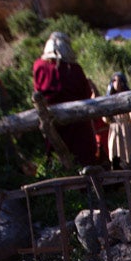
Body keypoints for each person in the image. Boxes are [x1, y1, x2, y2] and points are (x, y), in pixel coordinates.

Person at [32, 31, 98, 166]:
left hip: (52, 123)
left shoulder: (39, 66)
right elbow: (85, 94)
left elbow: (37, 92)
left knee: (58, 161)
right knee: (83, 160)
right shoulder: (75, 69)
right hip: (78, 124)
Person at [105, 72, 131, 169]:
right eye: (114, 81)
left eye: (119, 81)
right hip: (115, 128)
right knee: (115, 152)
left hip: (127, 127)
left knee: (129, 151)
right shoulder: (108, 99)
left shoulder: (127, 96)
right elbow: (105, 118)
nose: (117, 83)